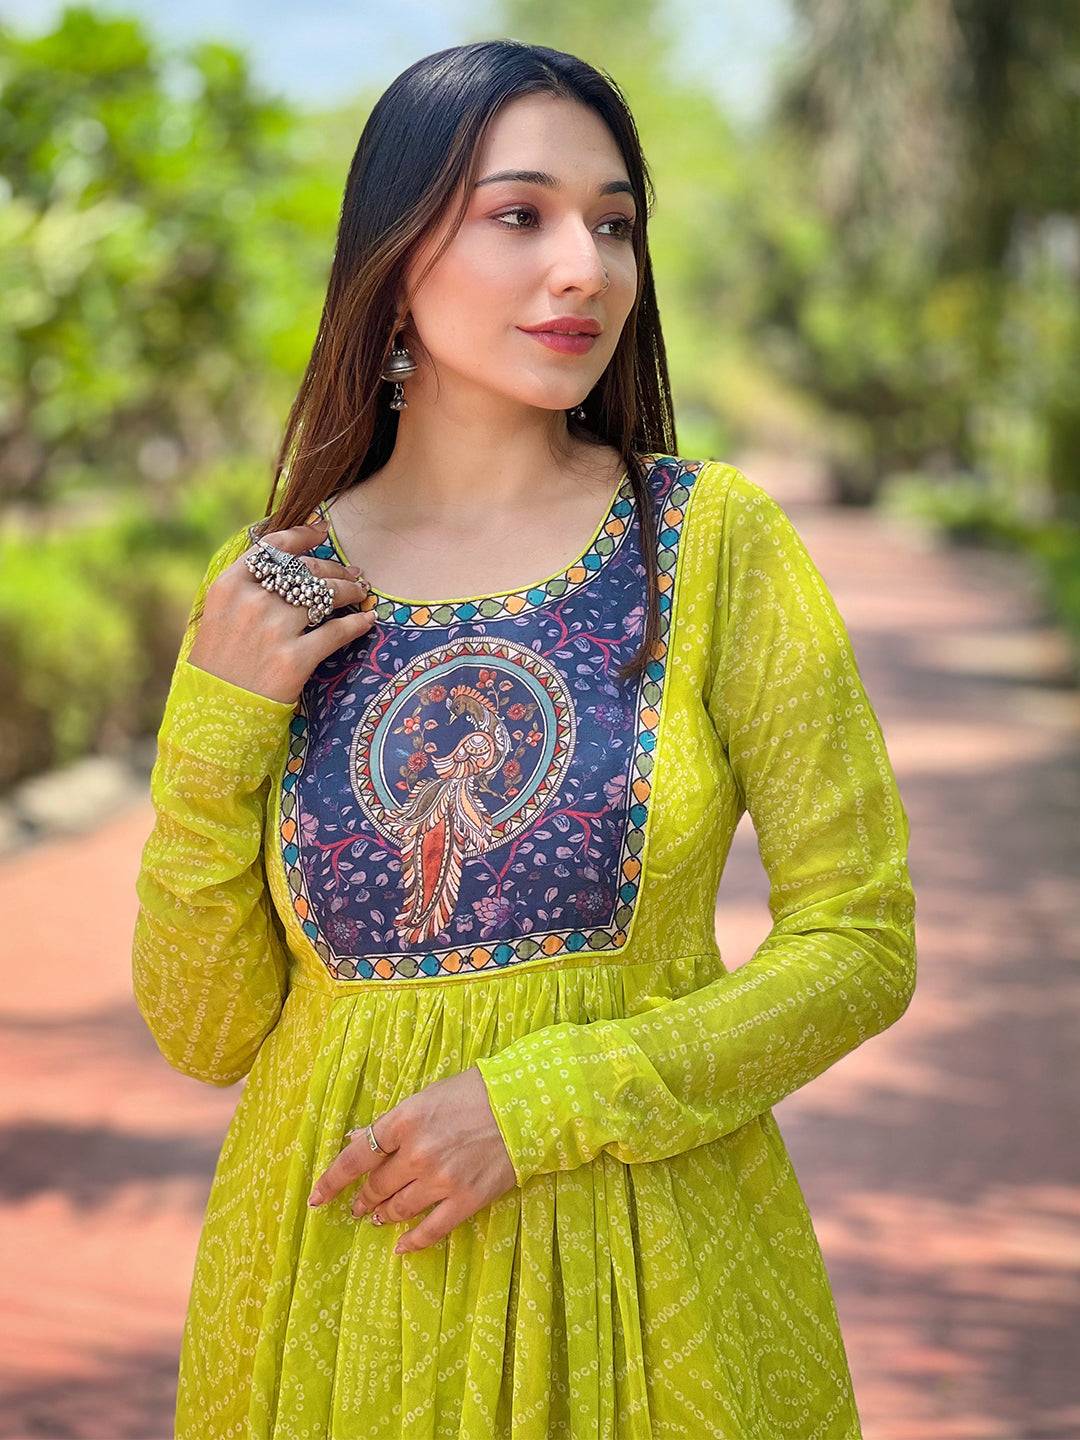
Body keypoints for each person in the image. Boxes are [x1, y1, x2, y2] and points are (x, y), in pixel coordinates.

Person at [131, 39, 917, 1440]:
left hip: (653, 1287)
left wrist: (544, 1101)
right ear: (396, 252)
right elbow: (207, 1030)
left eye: (614, 223)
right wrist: (212, 732)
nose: (588, 268)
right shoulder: (288, 581)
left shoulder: (708, 543)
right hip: (336, 1310)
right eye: (522, 214)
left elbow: (858, 939)